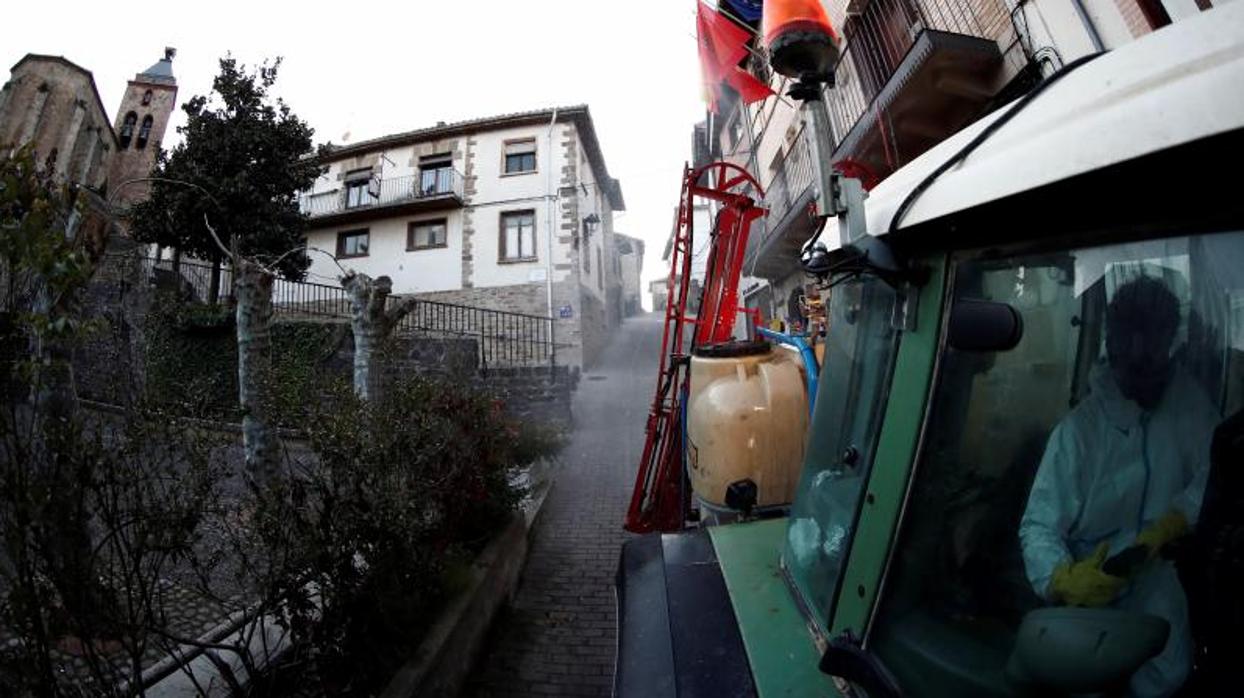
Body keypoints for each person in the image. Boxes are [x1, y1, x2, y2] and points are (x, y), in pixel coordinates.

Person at [1019, 275, 1220, 697]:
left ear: (1170, 343)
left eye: (1154, 356)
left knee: (1168, 675)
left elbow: (1215, 474)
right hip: (1091, 589)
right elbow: (1039, 525)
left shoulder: (1190, 404)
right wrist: (1060, 578)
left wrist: (1178, 518)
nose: (1143, 371)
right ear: (1113, 347)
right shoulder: (1080, 431)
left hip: (1159, 578)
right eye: (1133, 360)